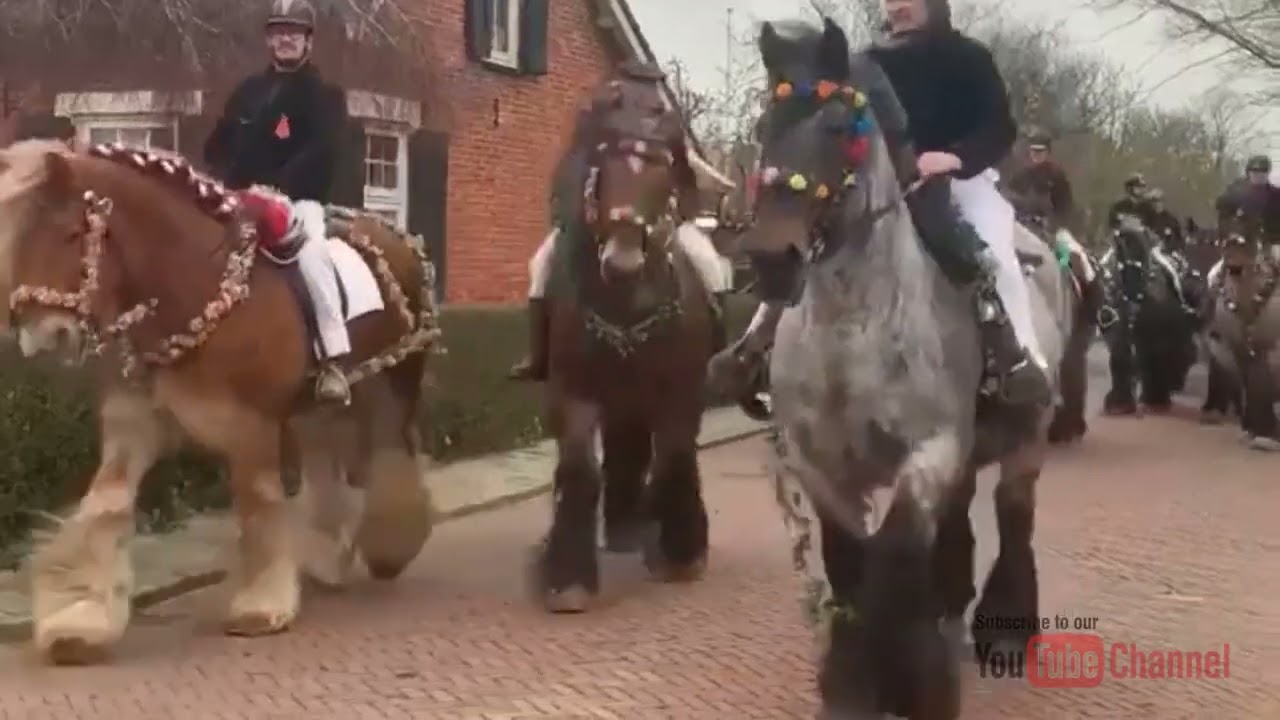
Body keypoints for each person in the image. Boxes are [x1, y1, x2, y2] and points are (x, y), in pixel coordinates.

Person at [715, 0, 1052, 415]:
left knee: (995, 255)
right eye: (890, 0)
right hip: (880, 178)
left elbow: (999, 128)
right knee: (807, 240)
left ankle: (1020, 360)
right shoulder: (866, 62)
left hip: (960, 179)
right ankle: (755, 345)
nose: (896, 7)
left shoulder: (971, 58)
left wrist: (954, 158)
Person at [507, 96, 738, 381]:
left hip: (661, 225)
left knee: (709, 263)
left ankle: (719, 354)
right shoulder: (596, 149)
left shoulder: (667, 144)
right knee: (540, 263)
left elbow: (697, 176)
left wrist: (711, 188)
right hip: (598, 226)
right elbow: (570, 182)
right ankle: (539, 355)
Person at [203, 0, 351, 404]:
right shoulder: (248, 92)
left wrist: (278, 189)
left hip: (299, 201)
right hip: (241, 199)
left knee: (313, 255)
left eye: (295, 32)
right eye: (278, 31)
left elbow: (321, 151)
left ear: (308, 41)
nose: (286, 38)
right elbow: (218, 143)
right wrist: (219, 178)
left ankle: (332, 360)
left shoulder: (325, 95)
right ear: (269, 39)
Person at [1145, 188, 1185, 253]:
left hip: (1165, 252)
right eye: (1154, 201)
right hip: (1148, 251)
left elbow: (1179, 239)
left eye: (1159, 200)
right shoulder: (1146, 218)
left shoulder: (1170, 219)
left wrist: (1168, 246)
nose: (1156, 203)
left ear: (1163, 201)